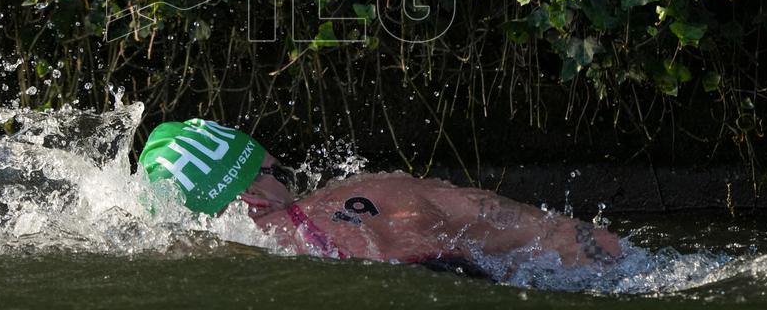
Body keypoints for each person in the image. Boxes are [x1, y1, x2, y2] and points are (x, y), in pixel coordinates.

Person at [139, 118, 623, 280]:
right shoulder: (379, 191)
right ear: (248, 191)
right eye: (270, 169)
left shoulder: (221, 257)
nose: (280, 172)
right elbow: (582, 240)